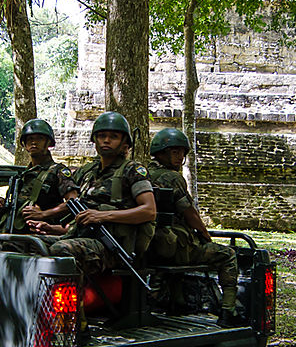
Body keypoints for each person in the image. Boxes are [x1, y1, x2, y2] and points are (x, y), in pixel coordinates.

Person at [147, 127, 239, 326]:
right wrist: (205, 233)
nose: (179, 157)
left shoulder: (143, 173)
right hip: (175, 246)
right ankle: (228, 311)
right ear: (161, 153)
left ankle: (175, 303)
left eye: (182, 152)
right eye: (174, 152)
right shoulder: (172, 178)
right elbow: (189, 213)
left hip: (150, 245)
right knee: (228, 255)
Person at [46, 112, 156, 275]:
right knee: (25, 244)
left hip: (113, 246)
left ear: (124, 143)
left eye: (114, 136)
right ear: (94, 140)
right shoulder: (88, 171)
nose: (106, 140)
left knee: (61, 250)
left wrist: (102, 216)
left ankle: (74, 299)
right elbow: (70, 201)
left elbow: (149, 211)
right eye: (102, 136)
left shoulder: (132, 170)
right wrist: (45, 219)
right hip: (79, 236)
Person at [0, 119, 78, 250]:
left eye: (39, 138)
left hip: (40, 237)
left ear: (48, 143)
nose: (34, 142)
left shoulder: (58, 171)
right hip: (14, 235)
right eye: (30, 139)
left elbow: (74, 202)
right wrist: (2, 204)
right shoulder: (22, 176)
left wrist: (44, 214)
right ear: (24, 144)